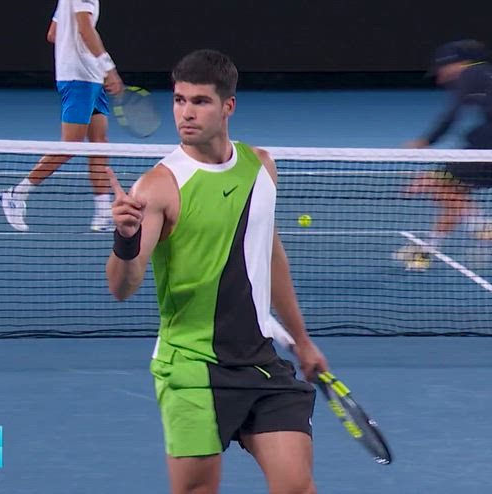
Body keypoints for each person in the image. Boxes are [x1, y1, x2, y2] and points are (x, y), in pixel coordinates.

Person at [105, 49, 328, 494]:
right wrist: (126, 237)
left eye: (200, 101)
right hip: (192, 367)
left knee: (297, 487)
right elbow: (122, 287)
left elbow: (269, 255)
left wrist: (302, 341)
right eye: (179, 100)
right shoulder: (158, 186)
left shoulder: (261, 167)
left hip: (261, 363)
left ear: (228, 106)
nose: (185, 113)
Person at [397, 39, 492, 270]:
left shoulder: (470, 73)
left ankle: (481, 225)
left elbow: (452, 114)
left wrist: (426, 141)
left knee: (436, 184)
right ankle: (427, 250)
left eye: (441, 70)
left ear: (454, 63)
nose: (440, 78)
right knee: (453, 196)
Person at [0, 0, 123, 232]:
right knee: (70, 145)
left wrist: (76, 51)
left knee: (99, 143)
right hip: (79, 78)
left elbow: (54, 33)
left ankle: (103, 213)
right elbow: (84, 28)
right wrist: (109, 68)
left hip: (89, 76)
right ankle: (16, 194)